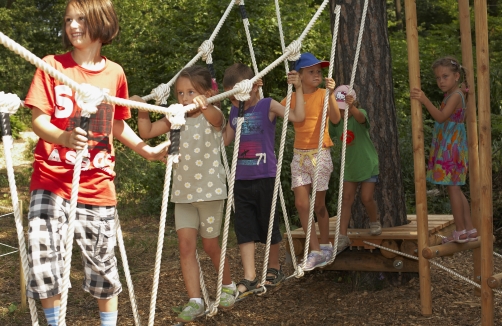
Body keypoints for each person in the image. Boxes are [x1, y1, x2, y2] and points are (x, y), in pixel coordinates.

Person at [23, 1, 170, 326]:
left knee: (103, 267)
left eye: (81, 19)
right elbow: (38, 119)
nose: (73, 25)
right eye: (68, 19)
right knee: (43, 258)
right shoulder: (51, 65)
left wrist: (146, 150)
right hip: (51, 180)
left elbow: (115, 123)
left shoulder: (113, 73)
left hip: (97, 184)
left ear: (102, 24)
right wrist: (61, 137)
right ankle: (54, 321)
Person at [133, 65, 236, 323]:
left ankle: (227, 286)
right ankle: (195, 300)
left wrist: (204, 104)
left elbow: (217, 120)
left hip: (210, 192)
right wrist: (142, 108)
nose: (184, 98)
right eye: (180, 93)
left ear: (206, 92)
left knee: (210, 244)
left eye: (191, 92)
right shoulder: (174, 118)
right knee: (185, 247)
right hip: (183, 194)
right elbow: (146, 133)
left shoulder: (211, 114)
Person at [221, 63, 305, 297]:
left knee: (269, 223)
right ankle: (249, 276)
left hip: (265, 176)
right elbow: (226, 139)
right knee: (244, 227)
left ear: (254, 86)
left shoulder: (267, 105)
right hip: (240, 179)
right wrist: (216, 115)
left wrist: (297, 88)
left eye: (238, 95)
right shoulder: (234, 112)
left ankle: (274, 268)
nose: (236, 101)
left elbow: (298, 117)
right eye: (232, 97)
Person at [280, 52, 341, 271]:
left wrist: (332, 94)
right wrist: (258, 92)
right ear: (299, 75)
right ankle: (314, 251)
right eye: (311, 71)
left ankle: (325, 245)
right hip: (299, 155)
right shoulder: (292, 97)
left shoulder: (324, 94)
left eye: (319, 71)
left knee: (319, 205)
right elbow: (275, 111)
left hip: (320, 154)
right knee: (301, 204)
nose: (317, 75)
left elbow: (336, 119)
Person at [410, 56, 477, 243]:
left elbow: (440, 117)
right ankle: (469, 228)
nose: (441, 81)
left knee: (453, 188)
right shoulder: (455, 94)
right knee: (456, 187)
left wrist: (424, 99)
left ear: (456, 76)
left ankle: (460, 230)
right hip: (452, 144)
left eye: (445, 76)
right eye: (438, 78)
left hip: (452, 147)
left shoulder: (455, 96)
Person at [328, 85, 381, 253]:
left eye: (346, 109)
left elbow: (361, 118)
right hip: (350, 167)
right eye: (340, 109)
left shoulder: (360, 114)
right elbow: (325, 133)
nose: (344, 113)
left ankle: (374, 222)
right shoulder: (336, 123)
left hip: (367, 164)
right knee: (346, 200)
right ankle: (342, 236)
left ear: (354, 104)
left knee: (366, 198)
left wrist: (351, 107)